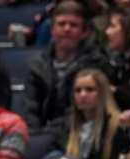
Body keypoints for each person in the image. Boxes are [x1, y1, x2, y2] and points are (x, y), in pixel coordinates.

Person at [23, 0, 110, 129]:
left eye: (73, 25)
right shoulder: (37, 65)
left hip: (80, 131)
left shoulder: (96, 63)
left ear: (84, 32)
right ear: (52, 30)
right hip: (43, 134)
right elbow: (30, 107)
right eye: (61, 24)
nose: (67, 29)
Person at [41, 68, 130, 159]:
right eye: (78, 90)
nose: (83, 95)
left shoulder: (118, 126)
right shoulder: (64, 127)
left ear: (103, 93)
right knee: (53, 157)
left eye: (90, 90)